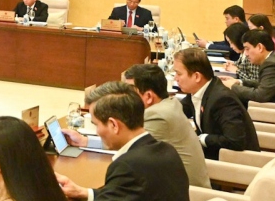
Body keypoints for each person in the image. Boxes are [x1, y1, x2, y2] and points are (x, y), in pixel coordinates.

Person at [56, 84, 189, 201]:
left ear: (114, 125)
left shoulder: (128, 166)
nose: (97, 131)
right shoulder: (166, 150)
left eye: (96, 125)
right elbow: (126, 197)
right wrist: (85, 194)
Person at [66, 69, 211, 188]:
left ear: (148, 96)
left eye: (130, 90)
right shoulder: (170, 103)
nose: (123, 95)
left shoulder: (157, 115)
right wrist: (85, 141)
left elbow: (126, 144)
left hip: (189, 193)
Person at [175, 48, 259, 160]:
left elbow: (235, 141)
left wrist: (201, 138)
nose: (176, 78)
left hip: (233, 163)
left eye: (179, 74)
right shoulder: (199, 90)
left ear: (197, 76)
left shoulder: (222, 99)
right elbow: (176, 112)